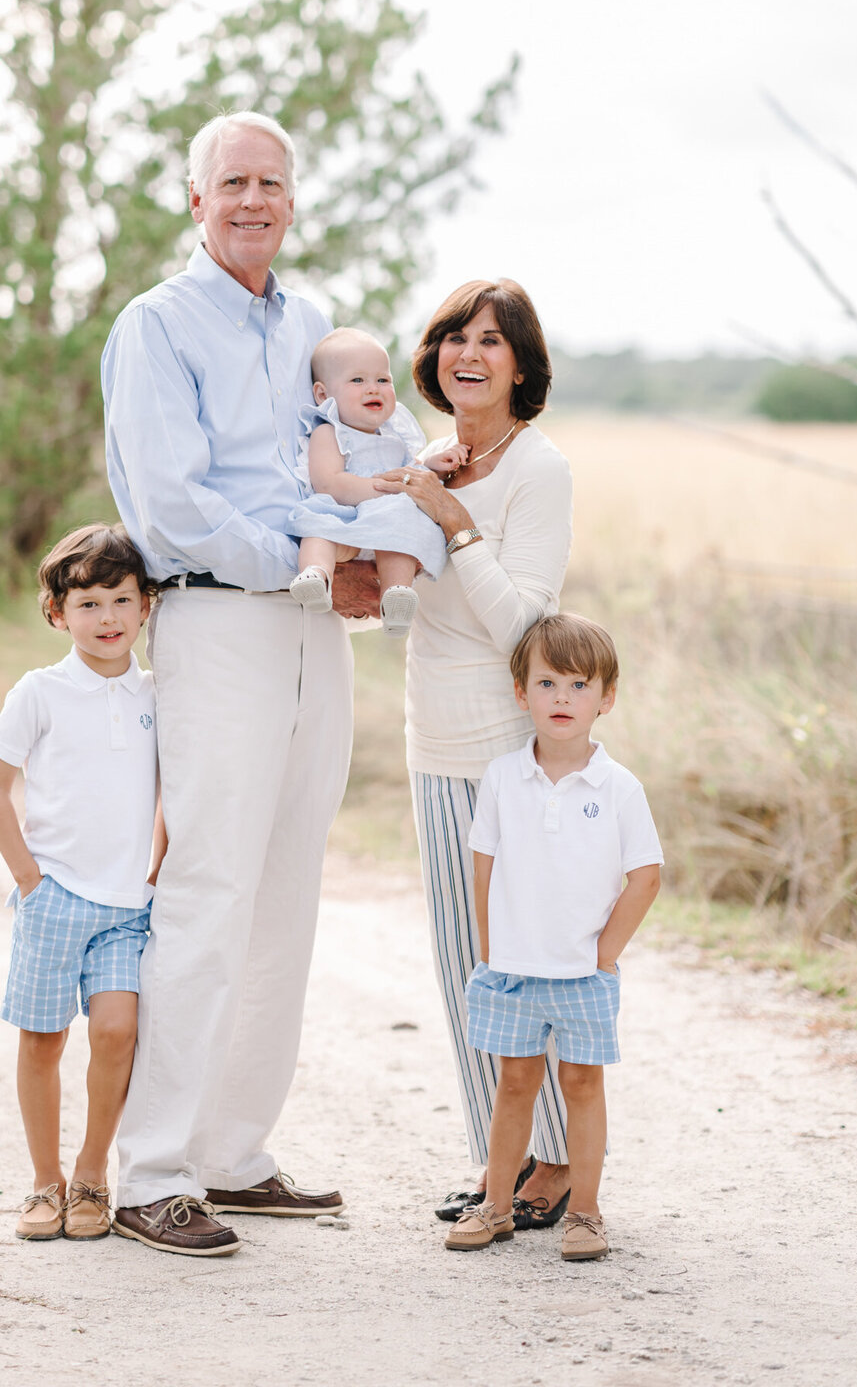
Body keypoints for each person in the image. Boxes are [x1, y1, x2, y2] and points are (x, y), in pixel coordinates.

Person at [101, 110, 376, 1258]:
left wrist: (357, 555)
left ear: (293, 199)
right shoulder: (157, 325)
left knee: (289, 884)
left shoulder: (311, 322)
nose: (253, 199)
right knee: (211, 882)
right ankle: (151, 1170)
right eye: (233, 182)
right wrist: (295, 564)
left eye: (272, 181)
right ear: (197, 197)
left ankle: (233, 1152)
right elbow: (168, 502)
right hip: (221, 620)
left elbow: (349, 450)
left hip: (320, 629)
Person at [371, 278, 577, 1228]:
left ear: (522, 365)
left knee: (520, 957)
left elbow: (524, 626)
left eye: (492, 340)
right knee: (463, 963)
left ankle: (556, 1165)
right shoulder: (429, 456)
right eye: (456, 335)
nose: (470, 352)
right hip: (431, 737)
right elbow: (385, 596)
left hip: (504, 747)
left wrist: (454, 521)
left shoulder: (537, 470)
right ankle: (500, 1162)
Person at [443, 613, 662, 1261]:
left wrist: (604, 954)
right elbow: (481, 865)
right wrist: (491, 948)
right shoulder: (504, 778)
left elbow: (645, 877)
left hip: (583, 975)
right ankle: (497, 1205)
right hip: (514, 969)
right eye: (546, 684)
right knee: (515, 1083)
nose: (561, 698)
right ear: (521, 694)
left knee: (583, 1086)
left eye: (577, 684)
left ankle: (586, 1213)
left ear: (606, 697)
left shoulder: (619, 788)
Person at [0, 525, 166, 1242]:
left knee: (118, 1030)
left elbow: (175, 790)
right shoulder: (41, 693)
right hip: (55, 896)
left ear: (147, 606)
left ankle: (92, 1175)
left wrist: (157, 866)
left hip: (127, 905)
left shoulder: (158, 692)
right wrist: (31, 882)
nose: (108, 618)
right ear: (58, 614)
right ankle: (44, 1183)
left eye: (122, 599)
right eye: (88, 604)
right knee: (44, 1041)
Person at [288, 327, 460, 637]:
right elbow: (328, 483)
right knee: (318, 529)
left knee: (403, 536)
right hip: (344, 520)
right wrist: (385, 489)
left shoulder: (393, 438)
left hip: (385, 525)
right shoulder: (329, 432)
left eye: (383, 380)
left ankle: (395, 595)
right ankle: (316, 575)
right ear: (323, 394)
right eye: (358, 380)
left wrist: (430, 466)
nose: (373, 388)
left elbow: (408, 471)